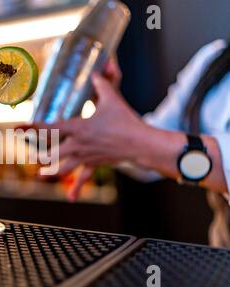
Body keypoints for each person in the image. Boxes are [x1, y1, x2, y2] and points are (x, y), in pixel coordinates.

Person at [34, 39, 230, 248]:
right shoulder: (213, 58)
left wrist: (136, 141)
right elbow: (151, 154)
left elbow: (148, 145)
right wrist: (111, 120)